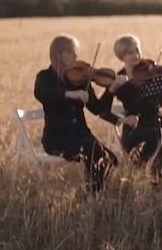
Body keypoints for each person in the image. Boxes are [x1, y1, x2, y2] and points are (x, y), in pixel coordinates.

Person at [33, 34, 118, 193]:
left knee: (111, 160)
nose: (76, 56)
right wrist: (70, 94)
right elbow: (41, 93)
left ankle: (95, 193)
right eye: (71, 52)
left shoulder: (81, 78)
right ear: (59, 54)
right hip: (57, 138)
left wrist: (111, 90)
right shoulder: (45, 77)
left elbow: (98, 108)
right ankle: (93, 195)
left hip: (81, 135)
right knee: (93, 153)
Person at [99, 34, 162, 186]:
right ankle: (144, 176)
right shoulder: (119, 78)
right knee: (155, 137)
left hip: (156, 121)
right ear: (122, 56)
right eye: (130, 53)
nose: (136, 55)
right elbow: (102, 110)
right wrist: (121, 119)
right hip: (136, 126)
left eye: (137, 50)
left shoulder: (149, 71)